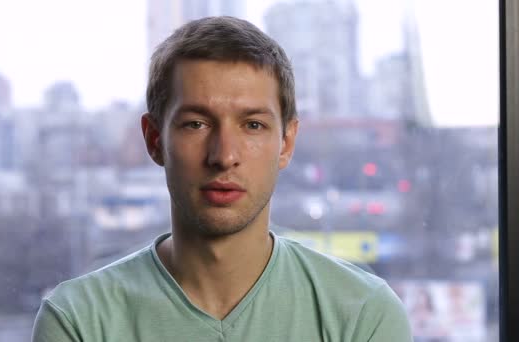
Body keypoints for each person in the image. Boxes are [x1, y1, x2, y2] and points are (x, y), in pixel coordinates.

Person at [31, 16, 413, 341]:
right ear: (154, 140)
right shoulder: (80, 320)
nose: (224, 155)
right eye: (195, 124)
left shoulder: (361, 314)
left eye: (253, 125)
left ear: (286, 142)